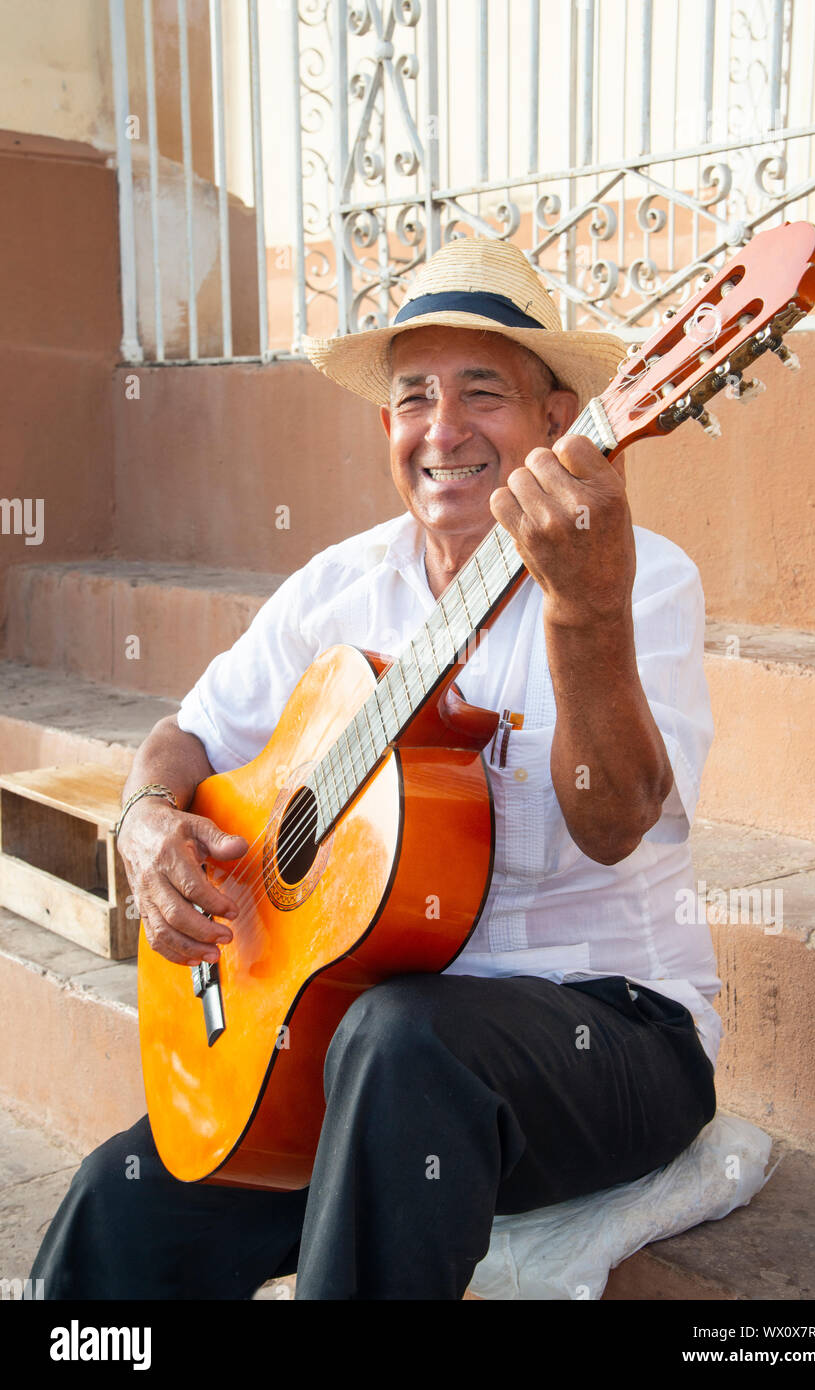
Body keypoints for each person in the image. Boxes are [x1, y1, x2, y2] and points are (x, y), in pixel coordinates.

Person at [31, 237, 720, 1301]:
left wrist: (583, 610)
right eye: (414, 398)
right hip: (345, 1053)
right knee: (119, 1203)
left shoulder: (643, 578)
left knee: (404, 1046)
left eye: (482, 392)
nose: (442, 429)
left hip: (611, 1032)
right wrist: (144, 826)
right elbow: (186, 739)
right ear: (385, 428)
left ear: (559, 419)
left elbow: (616, 818)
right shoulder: (336, 587)